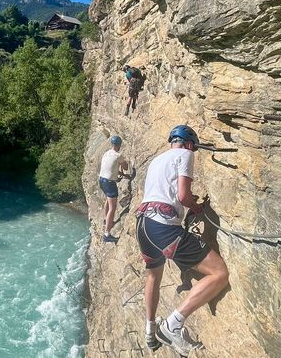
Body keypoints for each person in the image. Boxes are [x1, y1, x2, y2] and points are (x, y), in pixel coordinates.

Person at [135, 125, 229, 356]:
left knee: (153, 276)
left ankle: (150, 329)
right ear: (189, 144)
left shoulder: (158, 160)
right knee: (219, 273)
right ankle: (173, 325)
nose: (193, 152)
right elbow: (183, 195)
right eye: (193, 148)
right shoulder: (185, 154)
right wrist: (197, 207)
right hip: (163, 228)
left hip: (143, 225)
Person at [98, 135, 129, 243]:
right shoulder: (118, 155)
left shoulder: (106, 153)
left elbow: (109, 167)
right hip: (109, 183)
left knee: (108, 199)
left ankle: (106, 220)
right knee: (113, 206)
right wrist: (124, 162)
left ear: (112, 144)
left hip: (101, 180)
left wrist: (118, 172)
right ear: (119, 145)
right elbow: (126, 167)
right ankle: (107, 234)